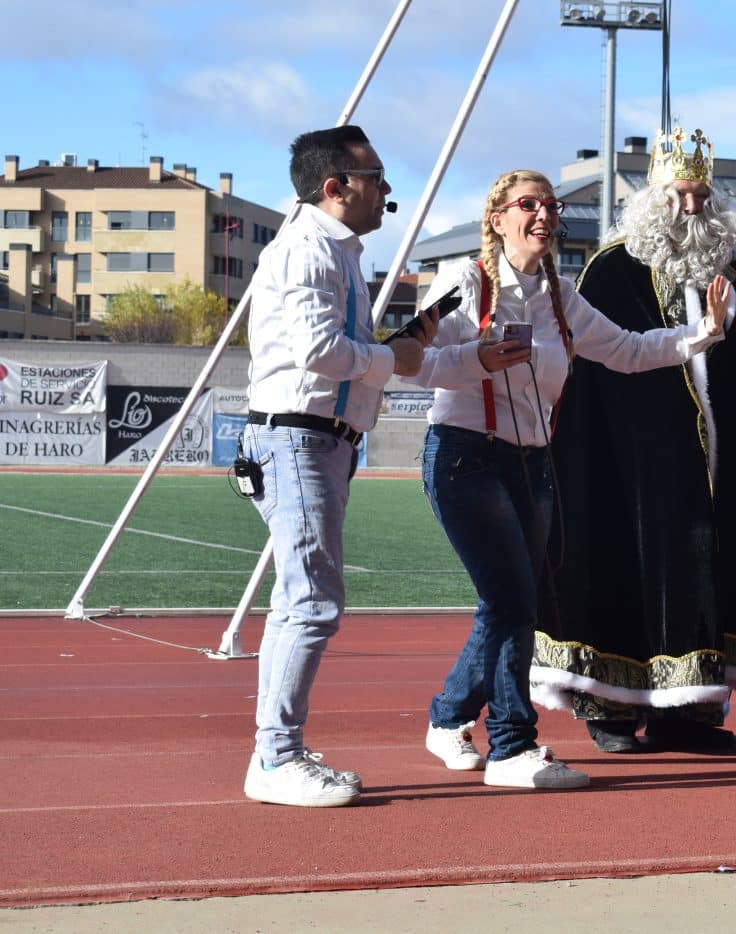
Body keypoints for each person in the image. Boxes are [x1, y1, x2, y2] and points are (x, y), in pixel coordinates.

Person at [407, 168, 730, 788]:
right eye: (527, 205)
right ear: (497, 218)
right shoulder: (465, 283)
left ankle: (448, 718)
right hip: (465, 458)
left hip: (532, 462)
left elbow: (629, 350)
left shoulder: (562, 297)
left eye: (550, 206)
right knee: (513, 600)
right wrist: (470, 358)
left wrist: (702, 335)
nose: (543, 216)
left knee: (510, 601)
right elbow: (411, 361)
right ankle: (512, 747)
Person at [530, 128, 736, 754]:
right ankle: (608, 707)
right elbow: (597, 378)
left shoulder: (732, 270)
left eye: (702, 195)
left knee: (708, 570)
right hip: (633, 459)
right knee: (625, 568)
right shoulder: (611, 268)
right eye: (680, 194)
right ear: (654, 194)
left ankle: (688, 710)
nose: (691, 207)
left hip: (716, 460)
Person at [241, 125, 437, 807]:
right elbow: (320, 350)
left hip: (316, 440)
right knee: (311, 603)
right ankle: (275, 758)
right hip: (297, 439)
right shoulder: (308, 250)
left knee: (298, 601)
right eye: (376, 177)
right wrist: (393, 359)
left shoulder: (332, 250)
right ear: (336, 188)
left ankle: (277, 752)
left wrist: (401, 352)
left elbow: (341, 349)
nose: (386, 190)